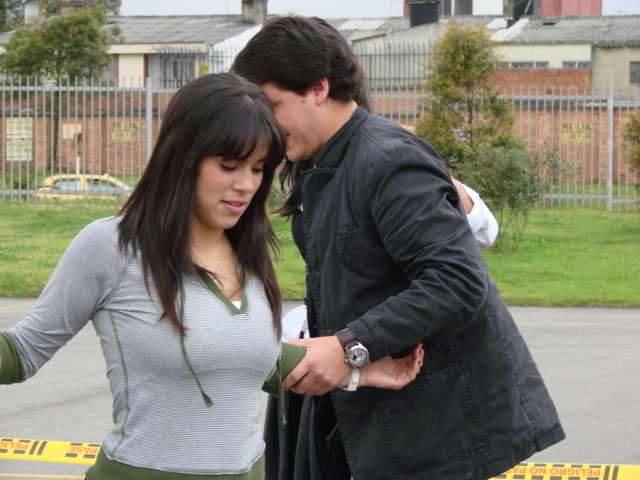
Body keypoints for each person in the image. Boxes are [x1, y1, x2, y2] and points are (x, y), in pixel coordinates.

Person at [0, 73, 424, 479]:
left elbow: (243, 355)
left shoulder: (249, 252)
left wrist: (359, 371)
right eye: (229, 165)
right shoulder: (113, 246)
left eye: (258, 169)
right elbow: (22, 352)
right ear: (182, 158)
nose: (246, 185)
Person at [232, 16, 565, 480]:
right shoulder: (323, 163)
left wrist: (347, 348)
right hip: (373, 415)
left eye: (272, 105)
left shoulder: (388, 159)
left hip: (434, 430)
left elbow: (457, 282)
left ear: (319, 88)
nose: (264, 124)